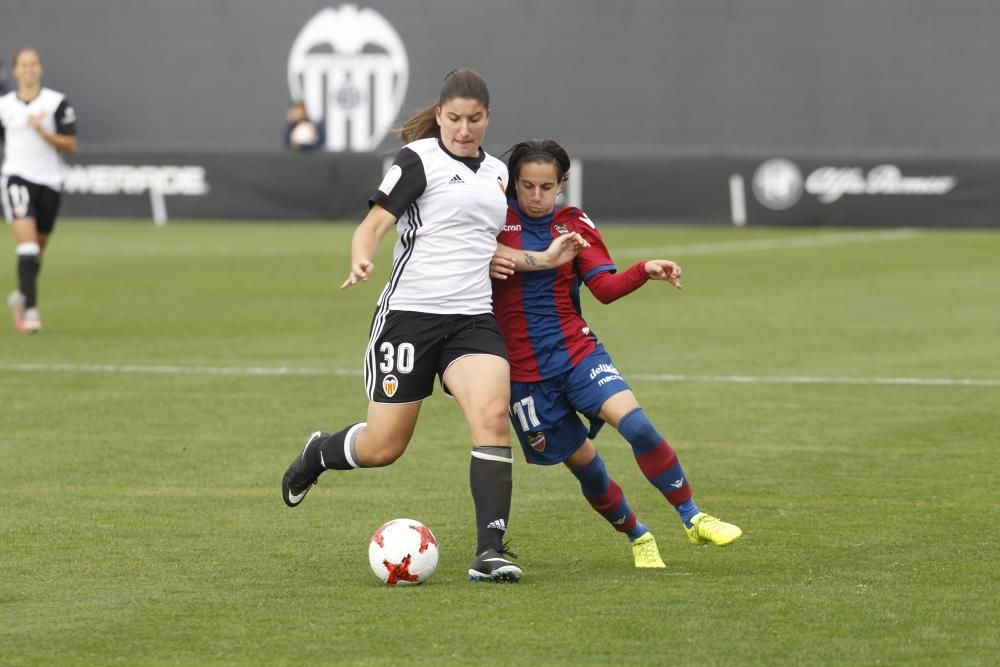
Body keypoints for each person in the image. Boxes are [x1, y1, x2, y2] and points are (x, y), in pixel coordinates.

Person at [280, 71, 587, 583]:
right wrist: (361, 260)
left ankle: (490, 551)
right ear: (440, 116)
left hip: (473, 319)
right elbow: (374, 224)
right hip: (410, 317)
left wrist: (544, 257)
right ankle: (319, 453)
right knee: (384, 447)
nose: (463, 129)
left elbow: (484, 246)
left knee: (491, 416)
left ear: (488, 118)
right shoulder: (418, 160)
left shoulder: (495, 173)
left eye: (474, 119)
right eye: (454, 118)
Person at [491, 139, 742, 569]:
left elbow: (604, 290)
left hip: (576, 353)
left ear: (561, 185)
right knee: (588, 469)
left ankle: (692, 517)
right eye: (527, 186)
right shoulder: (493, 222)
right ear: (513, 183)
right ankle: (637, 535)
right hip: (524, 377)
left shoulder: (573, 224)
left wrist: (643, 270)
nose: (536, 196)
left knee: (638, 426)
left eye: (546, 187)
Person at [0, 48, 77, 334]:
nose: (29, 69)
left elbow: (70, 144)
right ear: (15, 70)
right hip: (17, 179)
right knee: (28, 246)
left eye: (34, 64)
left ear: (40, 69)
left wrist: (43, 131)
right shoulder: (5, 106)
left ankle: (21, 295)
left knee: (38, 252)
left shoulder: (55, 102)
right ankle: (31, 311)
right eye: (23, 64)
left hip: (50, 182)